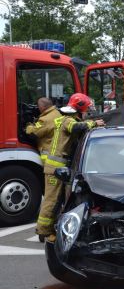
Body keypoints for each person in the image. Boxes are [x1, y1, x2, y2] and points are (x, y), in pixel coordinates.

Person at [26, 93, 104, 242]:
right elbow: (75, 127)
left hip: (60, 168)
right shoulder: (67, 120)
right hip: (55, 168)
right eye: (85, 109)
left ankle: (51, 229)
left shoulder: (66, 118)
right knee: (52, 200)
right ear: (78, 109)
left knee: (58, 200)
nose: (86, 113)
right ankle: (44, 232)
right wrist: (93, 123)